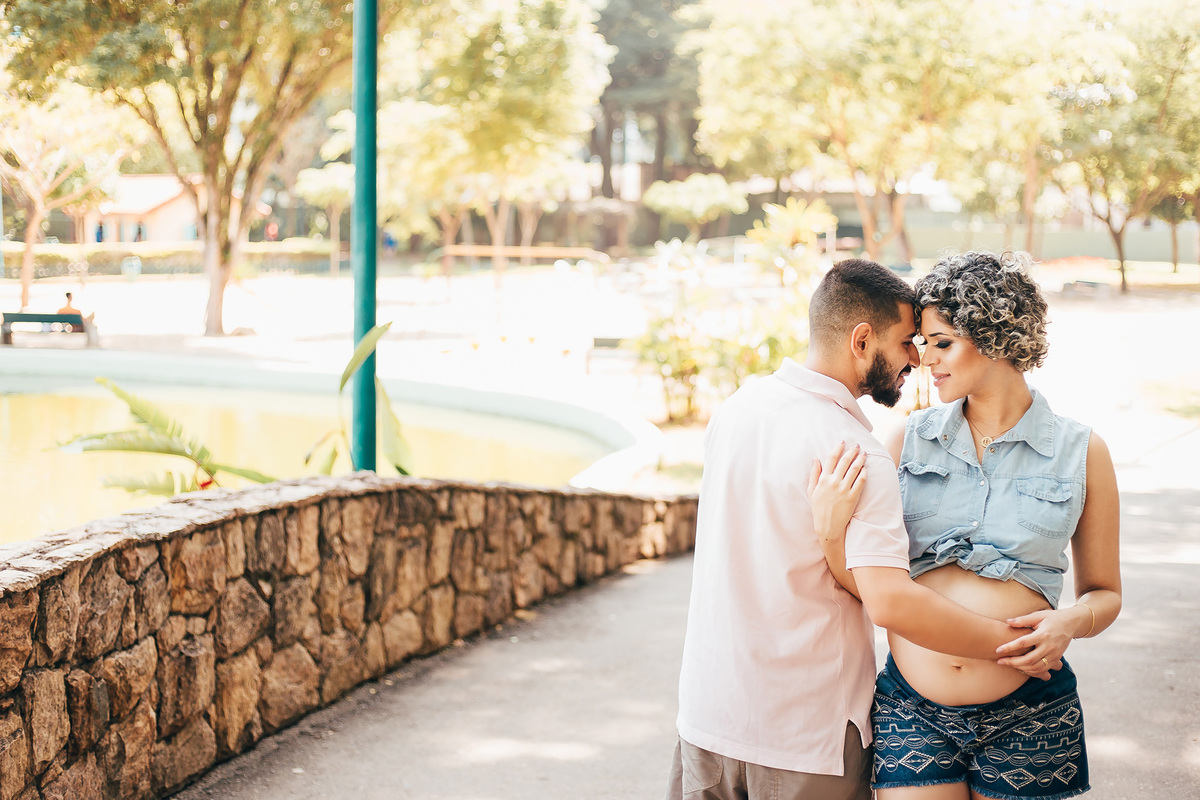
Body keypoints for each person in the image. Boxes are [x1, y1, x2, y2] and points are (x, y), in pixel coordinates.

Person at [668, 259, 1051, 800]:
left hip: (708, 720)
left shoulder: (735, 410)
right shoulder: (855, 453)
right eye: (906, 342)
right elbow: (889, 601)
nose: (916, 359)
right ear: (862, 340)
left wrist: (830, 540)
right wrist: (1018, 647)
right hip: (804, 736)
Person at [812, 250, 1121, 800]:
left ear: (996, 337)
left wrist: (1070, 622)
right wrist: (831, 533)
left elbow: (1105, 593)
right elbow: (870, 587)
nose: (924, 359)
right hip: (913, 710)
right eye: (922, 343)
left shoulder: (1082, 452)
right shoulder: (905, 441)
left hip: (1030, 713)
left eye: (942, 342)